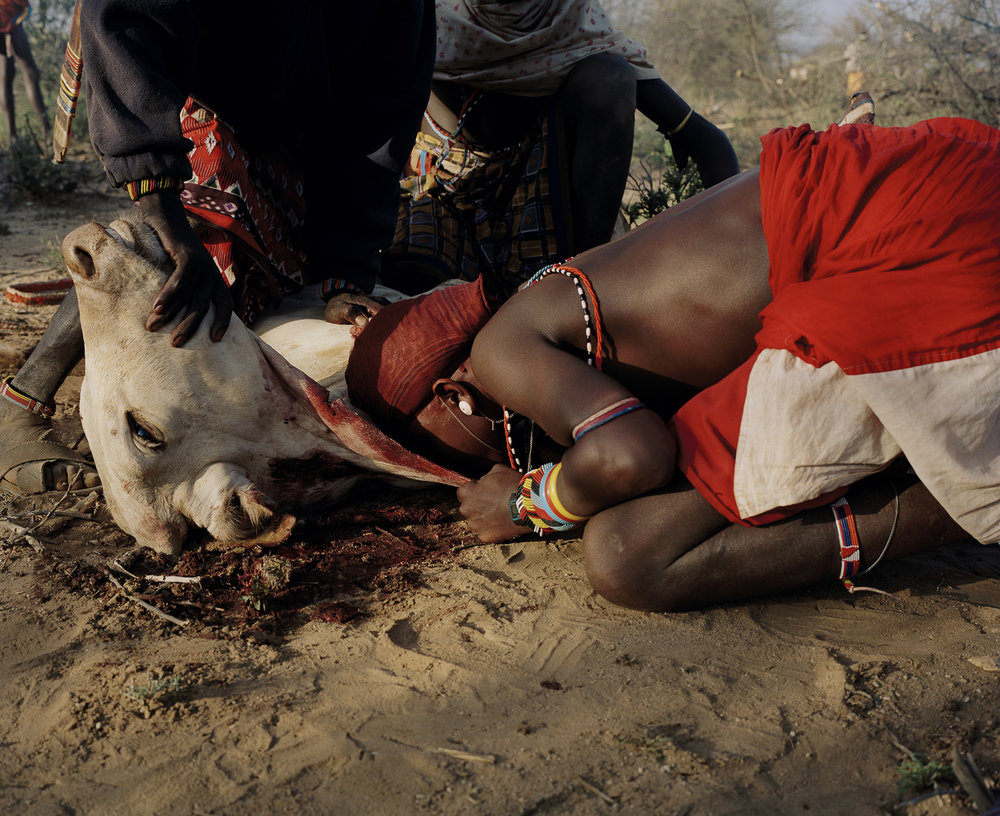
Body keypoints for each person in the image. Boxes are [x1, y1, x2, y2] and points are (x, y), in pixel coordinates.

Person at [345, 110, 1000, 611]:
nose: (465, 471)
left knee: (628, 554)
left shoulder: (499, 352)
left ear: (452, 394)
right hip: (942, 180)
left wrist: (524, 504)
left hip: (907, 253)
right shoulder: (563, 299)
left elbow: (632, 457)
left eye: (433, 451)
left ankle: (959, 503)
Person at [0, 0, 434, 495]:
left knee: (261, 286)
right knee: (186, 251)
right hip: (170, 70)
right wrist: (169, 222)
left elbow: (376, 126)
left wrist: (342, 276)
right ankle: (20, 404)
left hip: (292, 114)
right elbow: (123, 21)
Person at [381, 0, 739, 297]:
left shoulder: (569, 19)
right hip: (441, 197)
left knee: (610, 76)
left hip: (546, 212)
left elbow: (707, 141)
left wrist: (728, 268)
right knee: (418, 282)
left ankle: (586, 278)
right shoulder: (426, 17)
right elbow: (363, 138)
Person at [0, 1, 46, 142]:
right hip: (12, 22)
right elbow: (25, 6)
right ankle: (47, 132)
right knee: (30, 73)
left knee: (4, 79)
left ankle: (13, 138)